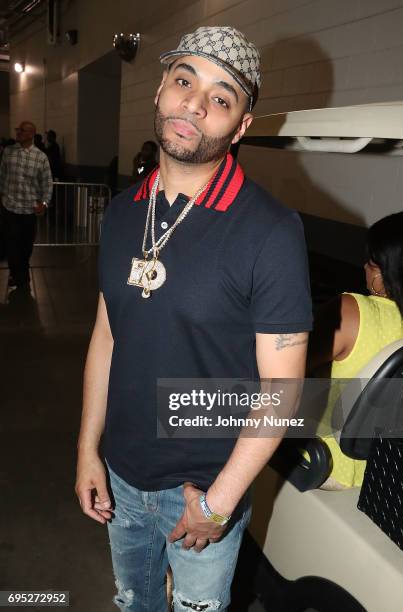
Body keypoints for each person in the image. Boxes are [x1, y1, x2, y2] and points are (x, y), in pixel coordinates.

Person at [75, 26, 312, 611]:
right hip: (124, 476)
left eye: (222, 97)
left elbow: (283, 390)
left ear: (240, 126)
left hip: (204, 487)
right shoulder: (125, 213)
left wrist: (218, 503)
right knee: (135, 603)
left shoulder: (270, 231)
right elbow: (107, 336)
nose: (196, 104)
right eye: (185, 80)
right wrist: (88, 449)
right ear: (160, 90)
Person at [309, 210, 403, 489]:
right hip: (383, 470)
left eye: (370, 262)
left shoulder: (351, 309)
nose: (364, 267)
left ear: (382, 274)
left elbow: (284, 371)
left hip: (324, 461)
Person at [0, 121, 52, 291]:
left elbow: (47, 183)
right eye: (18, 129)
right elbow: (2, 176)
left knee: (26, 246)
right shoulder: (8, 153)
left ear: (31, 134)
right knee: (11, 246)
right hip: (10, 208)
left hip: (29, 211)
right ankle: (20, 277)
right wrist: (2, 197)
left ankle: (20, 273)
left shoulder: (41, 157)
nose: (18, 132)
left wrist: (44, 203)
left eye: (22, 130)